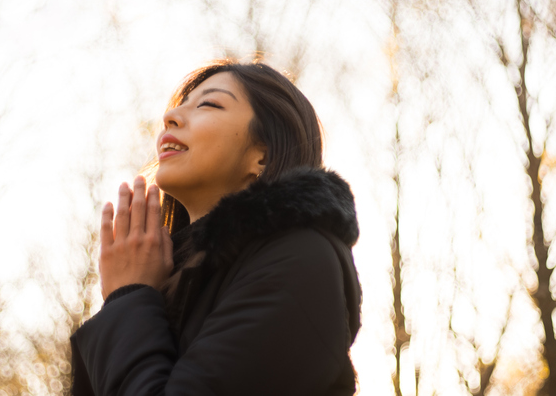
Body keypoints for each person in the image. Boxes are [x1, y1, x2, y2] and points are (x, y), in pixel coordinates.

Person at [70, 60, 362, 396]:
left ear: (262, 157)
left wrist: (127, 297)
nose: (171, 117)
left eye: (208, 104)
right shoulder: (165, 280)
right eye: (179, 105)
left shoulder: (301, 257)